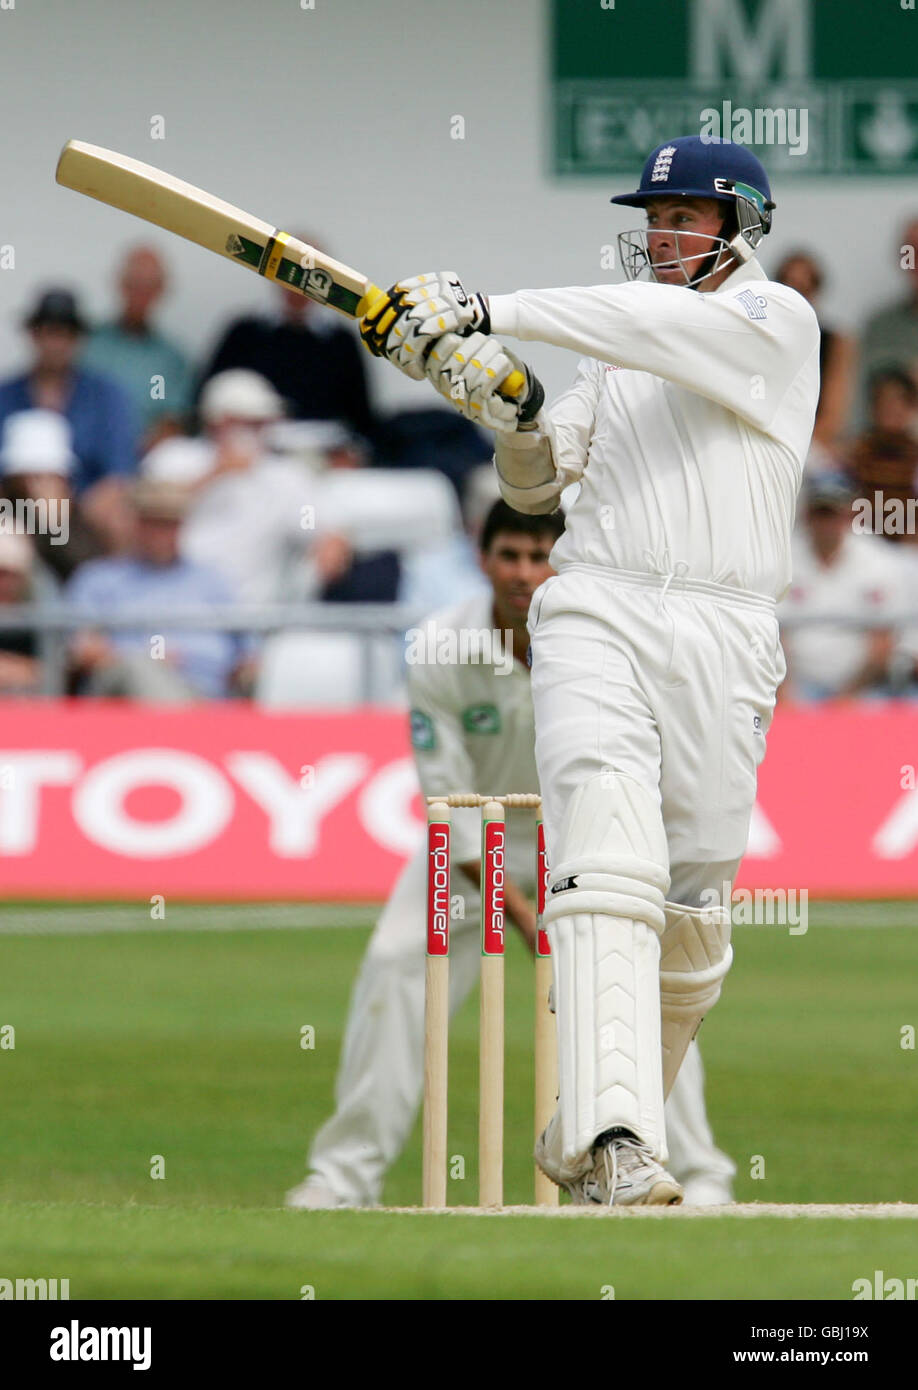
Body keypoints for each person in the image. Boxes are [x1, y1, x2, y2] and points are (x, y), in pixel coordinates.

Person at [359, 136, 819, 1205]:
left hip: (730, 627)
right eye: (654, 217)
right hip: (598, 607)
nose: (662, 234)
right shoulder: (613, 359)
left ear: (740, 225)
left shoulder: (774, 320)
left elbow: (660, 328)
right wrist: (496, 399)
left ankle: (602, 1130)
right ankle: (617, 1141)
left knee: (696, 903)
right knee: (606, 858)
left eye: (687, 217)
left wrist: (489, 309)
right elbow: (535, 482)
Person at [287, 500, 736, 1210]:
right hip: (470, 846)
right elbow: (448, 801)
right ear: (483, 555)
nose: (524, 574)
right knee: (396, 964)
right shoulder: (442, 644)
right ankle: (343, 1178)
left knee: (636, 989)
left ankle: (703, 1175)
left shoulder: (604, 641)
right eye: (510, 556)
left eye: (539, 557)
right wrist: (525, 916)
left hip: (583, 843)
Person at [65, 476, 248, 701]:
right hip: (125, 698)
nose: (161, 532)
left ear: (183, 526)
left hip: (207, 694)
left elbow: (247, 650)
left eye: (170, 522)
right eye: (153, 521)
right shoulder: (98, 578)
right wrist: (148, 660)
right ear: (136, 522)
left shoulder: (212, 579)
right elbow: (81, 650)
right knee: (141, 671)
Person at [0, 289, 138, 550]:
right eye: (49, 331)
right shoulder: (5, 395)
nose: (56, 342)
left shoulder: (105, 395)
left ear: (78, 339)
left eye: (65, 333)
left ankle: (114, 588)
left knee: (119, 518)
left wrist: (68, 507)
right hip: (11, 508)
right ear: (33, 334)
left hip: (86, 510)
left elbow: (120, 474)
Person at [198, 253, 374, 443]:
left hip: (323, 450)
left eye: (312, 276)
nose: (299, 285)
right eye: (292, 272)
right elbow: (210, 398)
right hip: (252, 446)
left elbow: (360, 415)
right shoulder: (244, 332)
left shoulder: (341, 341)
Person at [779, 474, 902, 702]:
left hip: (864, 689)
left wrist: (847, 697)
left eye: (833, 514)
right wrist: (785, 691)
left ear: (849, 515)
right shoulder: (784, 559)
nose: (827, 523)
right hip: (795, 688)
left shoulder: (878, 560)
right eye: (821, 513)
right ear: (807, 515)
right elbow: (776, 635)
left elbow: (883, 643)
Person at [82, 246, 193, 448]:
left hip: (147, 459)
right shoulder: (86, 343)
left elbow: (173, 420)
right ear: (120, 284)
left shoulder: (172, 357)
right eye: (135, 284)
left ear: (162, 290)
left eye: (149, 286)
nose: (141, 294)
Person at [774, 250, 855, 450]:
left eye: (802, 289)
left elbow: (833, 416)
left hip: (814, 446)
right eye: (788, 287)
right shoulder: (762, 338)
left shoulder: (836, 343)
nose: (795, 296)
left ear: (815, 292)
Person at [846, 368, 918, 543]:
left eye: (898, 401)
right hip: (864, 547)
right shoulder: (855, 454)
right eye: (883, 401)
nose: (890, 409)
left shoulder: (914, 457)